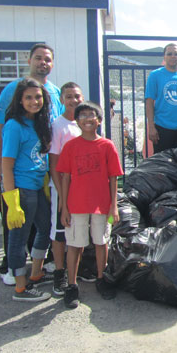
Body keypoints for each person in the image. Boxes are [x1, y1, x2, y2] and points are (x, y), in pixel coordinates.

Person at [0, 43, 64, 285]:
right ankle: (11, 269)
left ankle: (37, 268)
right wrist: (2, 166)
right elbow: (0, 128)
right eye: (39, 58)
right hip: (18, 175)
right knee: (15, 226)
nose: (43, 62)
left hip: (40, 173)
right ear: (29, 60)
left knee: (44, 224)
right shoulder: (14, 90)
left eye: (48, 59)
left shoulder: (53, 92)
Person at [57, 102, 123, 308]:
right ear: (77, 121)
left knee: (101, 242)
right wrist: (64, 207)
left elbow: (114, 178)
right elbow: (65, 178)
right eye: (82, 115)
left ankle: (101, 279)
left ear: (99, 121)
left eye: (91, 115)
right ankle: (71, 285)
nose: (87, 119)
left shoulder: (107, 146)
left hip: (101, 205)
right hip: (76, 205)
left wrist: (114, 207)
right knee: (75, 244)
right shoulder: (70, 146)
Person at [1, 78, 53, 302]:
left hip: (37, 187)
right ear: (20, 101)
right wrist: (12, 203)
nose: (34, 101)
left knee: (46, 227)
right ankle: (21, 287)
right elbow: (6, 166)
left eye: (38, 97)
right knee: (19, 237)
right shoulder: (14, 125)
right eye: (29, 97)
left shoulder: (40, 124)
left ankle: (36, 272)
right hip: (22, 190)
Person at [48, 82, 84, 296]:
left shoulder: (85, 123)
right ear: (62, 100)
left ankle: (77, 270)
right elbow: (53, 165)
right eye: (69, 96)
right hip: (62, 187)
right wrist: (61, 195)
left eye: (77, 96)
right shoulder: (57, 126)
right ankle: (59, 274)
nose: (73, 100)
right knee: (60, 232)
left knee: (78, 230)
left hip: (82, 188)